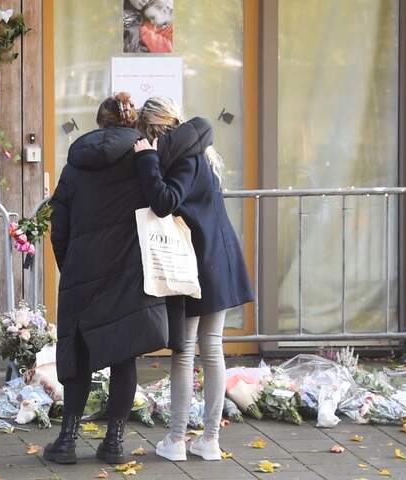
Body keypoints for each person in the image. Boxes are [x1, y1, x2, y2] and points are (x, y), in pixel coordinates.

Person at [43, 92, 171, 465]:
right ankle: (113, 443)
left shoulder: (75, 165)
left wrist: (72, 266)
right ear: (131, 123)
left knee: (78, 355)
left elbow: (59, 226)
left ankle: (66, 441)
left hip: (83, 270)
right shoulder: (141, 159)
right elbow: (161, 203)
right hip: (129, 271)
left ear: (99, 123)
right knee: (123, 353)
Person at [132, 96, 254, 462]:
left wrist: (146, 160)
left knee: (187, 351)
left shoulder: (180, 159)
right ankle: (210, 440)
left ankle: (177, 440)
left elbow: (164, 201)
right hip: (216, 258)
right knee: (212, 347)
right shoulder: (199, 152)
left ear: (153, 131)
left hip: (193, 264)